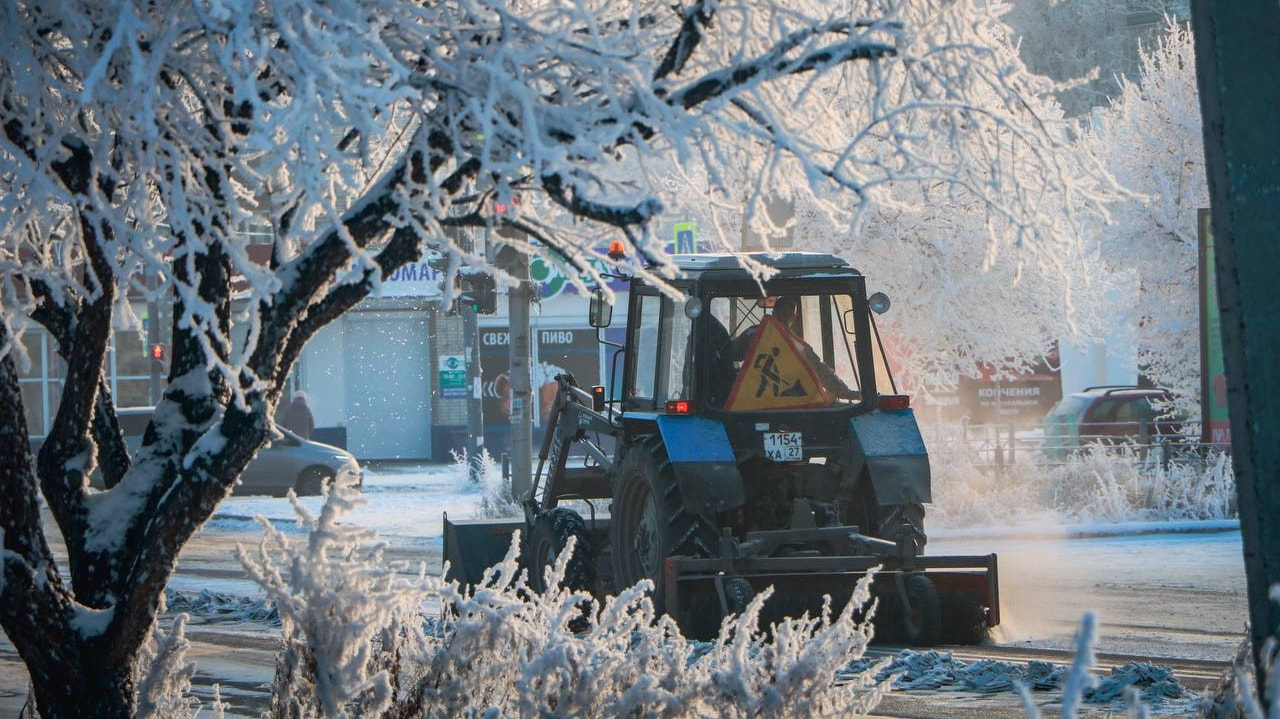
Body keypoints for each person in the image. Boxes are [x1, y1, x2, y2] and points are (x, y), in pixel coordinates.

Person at [739, 296, 860, 402]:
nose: (783, 319)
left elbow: (728, 355)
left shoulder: (751, 333)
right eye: (784, 314)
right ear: (794, 317)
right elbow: (822, 373)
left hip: (751, 403)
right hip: (791, 404)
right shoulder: (798, 346)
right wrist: (849, 394)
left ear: (773, 312)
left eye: (785, 315)